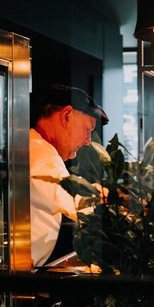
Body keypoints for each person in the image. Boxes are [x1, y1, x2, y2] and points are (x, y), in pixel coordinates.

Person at [30, 84, 108, 267]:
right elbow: (74, 201)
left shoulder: (38, 147)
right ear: (66, 116)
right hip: (19, 272)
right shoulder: (40, 154)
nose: (88, 141)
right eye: (87, 129)